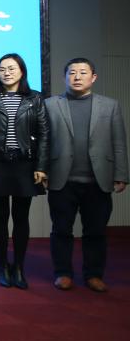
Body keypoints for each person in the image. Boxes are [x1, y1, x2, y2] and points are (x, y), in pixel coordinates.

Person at [45, 57, 128, 292]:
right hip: (61, 179)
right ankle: (63, 273)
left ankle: (93, 275)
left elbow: (119, 142)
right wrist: (42, 171)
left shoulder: (110, 106)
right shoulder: (51, 104)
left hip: (98, 180)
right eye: (72, 73)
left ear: (93, 77)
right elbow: (44, 142)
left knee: (96, 231)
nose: (77, 77)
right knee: (61, 229)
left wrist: (121, 174)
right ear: (64, 77)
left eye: (83, 72)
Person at [0, 53, 49, 290]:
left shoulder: (35, 98)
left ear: (22, 71)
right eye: (2, 69)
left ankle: (18, 266)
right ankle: (2, 266)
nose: (7, 73)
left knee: (21, 217)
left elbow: (44, 134)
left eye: (11, 68)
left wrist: (41, 166)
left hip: (25, 164)